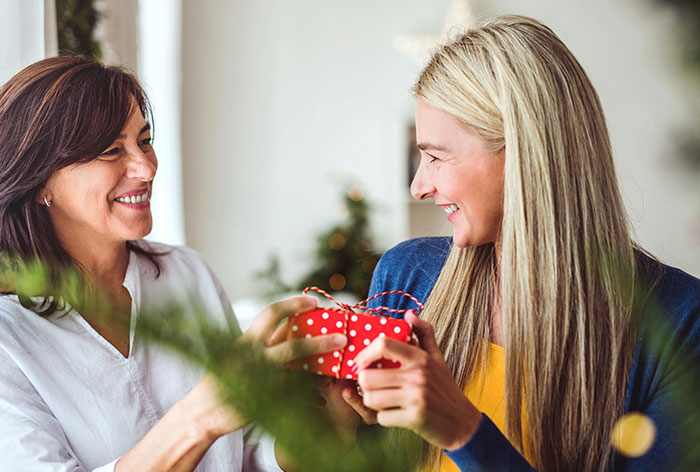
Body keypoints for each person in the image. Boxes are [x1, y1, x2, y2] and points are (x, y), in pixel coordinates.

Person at [335, 15, 700, 472]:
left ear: (523, 154)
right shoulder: (405, 277)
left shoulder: (681, 324)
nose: (418, 186)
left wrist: (463, 431)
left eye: (434, 156)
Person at [0, 55, 346, 471]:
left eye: (143, 141)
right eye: (112, 150)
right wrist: (203, 414)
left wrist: (330, 417)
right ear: (41, 183)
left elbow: (244, 450)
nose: (146, 168)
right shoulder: (9, 337)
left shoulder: (186, 273)